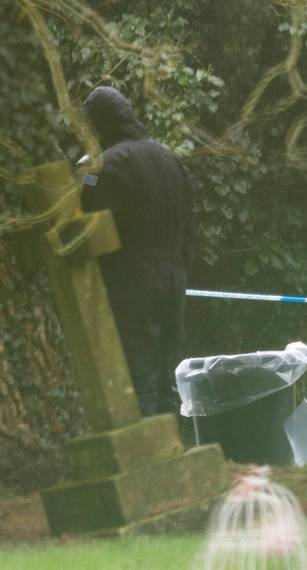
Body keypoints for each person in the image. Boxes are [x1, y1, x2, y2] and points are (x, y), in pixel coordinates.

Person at [79, 86, 192, 416]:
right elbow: (189, 226)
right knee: (166, 379)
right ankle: (176, 454)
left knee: (139, 378)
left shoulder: (108, 165)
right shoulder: (170, 158)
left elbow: (95, 230)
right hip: (174, 278)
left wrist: (84, 179)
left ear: (99, 124)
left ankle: (150, 459)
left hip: (132, 281)